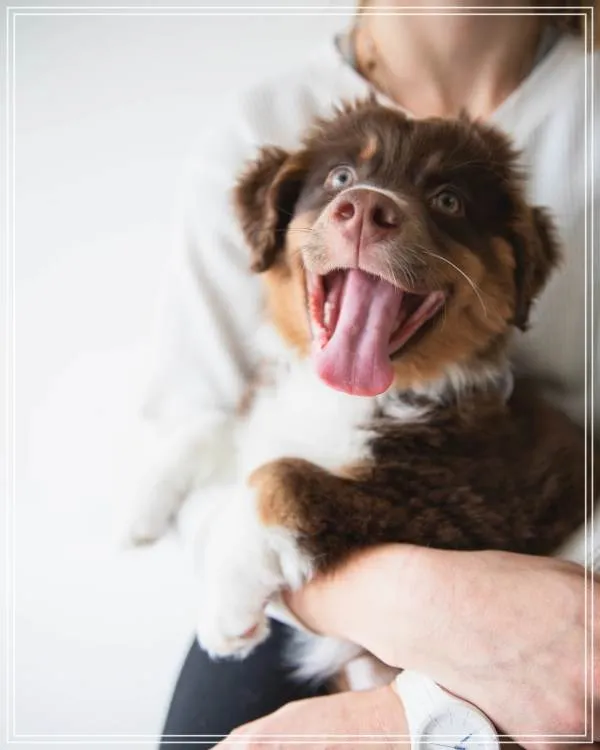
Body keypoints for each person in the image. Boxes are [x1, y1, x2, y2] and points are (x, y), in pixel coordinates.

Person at [140, 1, 599, 747]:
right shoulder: (259, 120)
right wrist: (411, 601)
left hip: (564, 574)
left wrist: (406, 718)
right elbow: (187, 430)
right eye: (342, 180)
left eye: (446, 201)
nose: (368, 206)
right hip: (290, 585)